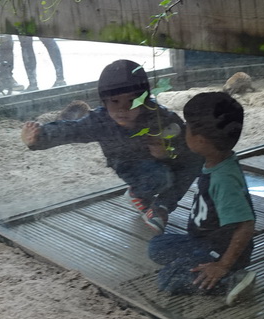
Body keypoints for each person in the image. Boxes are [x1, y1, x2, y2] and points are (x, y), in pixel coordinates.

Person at [21, 59, 202, 233]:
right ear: (104, 101)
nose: (123, 109)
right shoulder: (101, 121)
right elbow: (71, 129)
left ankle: (161, 207)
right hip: (130, 165)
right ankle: (138, 195)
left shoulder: (160, 116)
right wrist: (39, 137)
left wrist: (168, 153)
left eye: (132, 101)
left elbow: (186, 142)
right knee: (159, 177)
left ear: (144, 100)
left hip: (164, 160)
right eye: (115, 101)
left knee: (196, 159)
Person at [147, 91, 257, 306]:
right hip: (202, 240)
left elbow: (246, 225)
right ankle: (197, 263)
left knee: (167, 279)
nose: (184, 130)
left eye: (187, 127)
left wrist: (223, 264)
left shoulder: (223, 180)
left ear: (201, 140)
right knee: (157, 246)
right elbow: (182, 157)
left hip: (220, 250)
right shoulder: (215, 159)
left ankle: (230, 280)